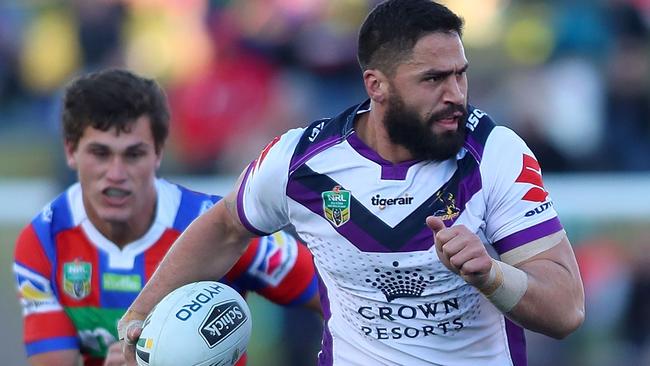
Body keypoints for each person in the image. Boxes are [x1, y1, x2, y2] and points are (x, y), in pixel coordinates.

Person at [119, 1, 585, 365]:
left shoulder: (496, 154)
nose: (455, 95)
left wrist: (492, 275)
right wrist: (140, 316)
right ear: (376, 85)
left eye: (460, 75)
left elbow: (566, 311)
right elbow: (224, 226)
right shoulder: (301, 160)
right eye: (433, 79)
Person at [12, 69, 320, 366]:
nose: (116, 174)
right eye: (100, 153)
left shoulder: (219, 229)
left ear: (158, 153)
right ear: (70, 152)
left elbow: (337, 294)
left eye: (134, 155)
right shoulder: (44, 241)